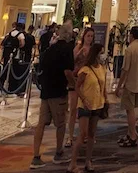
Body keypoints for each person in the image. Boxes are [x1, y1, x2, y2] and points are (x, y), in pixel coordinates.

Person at [30, 22, 75, 170]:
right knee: (60, 123)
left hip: (46, 92)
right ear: (69, 36)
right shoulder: (67, 50)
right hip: (58, 92)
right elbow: (67, 72)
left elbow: (42, 67)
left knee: (41, 124)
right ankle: (58, 152)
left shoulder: (50, 50)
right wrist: (74, 85)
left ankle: (36, 156)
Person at [67, 42, 107, 173]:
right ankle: (72, 163)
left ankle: (88, 161)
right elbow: (77, 87)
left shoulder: (102, 68)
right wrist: (83, 99)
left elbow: (103, 86)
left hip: (97, 104)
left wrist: (106, 99)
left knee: (92, 134)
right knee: (82, 134)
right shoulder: (85, 70)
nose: (102, 56)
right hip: (85, 105)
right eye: (100, 53)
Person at [116, 26, 138, 148]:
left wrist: (119, 86)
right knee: (131, 109)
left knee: (130, 110)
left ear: (132, 36)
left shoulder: (130, 49)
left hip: (130, 84)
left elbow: (125, 69)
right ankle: (130, 133)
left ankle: (132, 136)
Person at [66, 26, 95, 148]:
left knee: (87, 109)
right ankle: (70, 136)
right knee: (73, 109)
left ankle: (87, 134)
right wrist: (80, 52)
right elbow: (72, 61)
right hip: (76, 80)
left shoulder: (93, 50)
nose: (89, 38)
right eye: (88, 36)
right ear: (83, 36)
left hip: (87, 81)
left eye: (91, 36)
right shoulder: (78, 47)